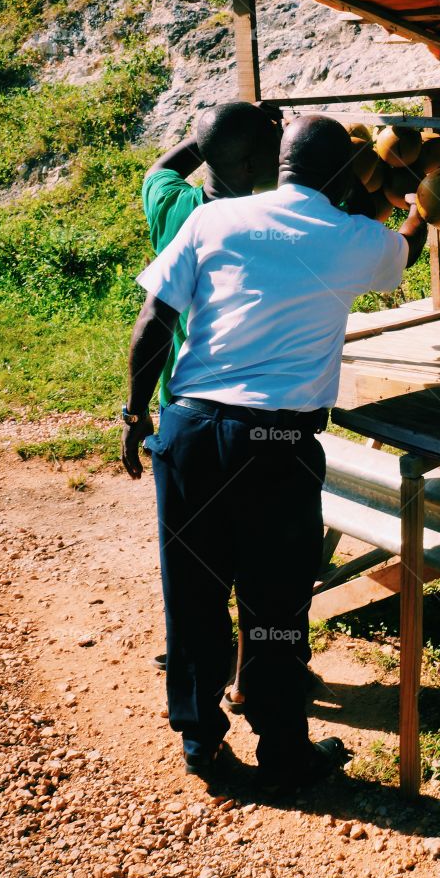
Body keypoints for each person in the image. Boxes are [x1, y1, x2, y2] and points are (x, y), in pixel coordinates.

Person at [121, 115, 427, 788]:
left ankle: (201, 744)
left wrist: (132, 411)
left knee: (194, 597)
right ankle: (283, 747)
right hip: (278, 449)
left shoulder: (211, 219)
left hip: (192, 434)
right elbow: (408, 246)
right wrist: (423, 203)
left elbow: (155, 321)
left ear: (277, 164)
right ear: (344, 175)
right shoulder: (352, 238)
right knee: (277, 603)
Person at [142, 101, 280, 701]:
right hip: (250, 418)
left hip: (182, 412)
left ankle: (198, 666)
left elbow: (159, 170)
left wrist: (216, 137)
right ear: (253, 160)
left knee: (195, 566)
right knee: (257, 563)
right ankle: (252, 678)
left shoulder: (174, 206)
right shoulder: (265, 228)